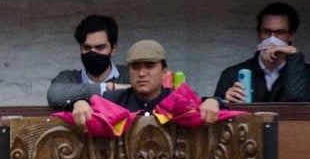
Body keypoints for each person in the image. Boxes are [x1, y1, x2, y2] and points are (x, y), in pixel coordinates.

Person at [70, 40, 222, 128]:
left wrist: (213, 101)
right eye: (135, 67)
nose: (141, 73)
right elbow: (87, 108)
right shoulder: (113, 99)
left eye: (149, 66)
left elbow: (206, 106)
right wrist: (80, 103)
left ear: (164, 71)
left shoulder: (177, 100)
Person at [213, 2, 310, 104]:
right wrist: (226, 101)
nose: (272, 39)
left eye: (280, 32)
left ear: (291, 36)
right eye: (266, 32)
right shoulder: (232, 74)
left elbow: (296, 101)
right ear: (259, 34)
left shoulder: (306, 74)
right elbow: (217, 113)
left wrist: (293, 56)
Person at [47, 14, 130, 109]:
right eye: (87, 47)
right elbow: (54, 95)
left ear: (113, 49)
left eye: (100, 47)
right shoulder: (70, 78)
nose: (93, 53)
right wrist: (108, 88)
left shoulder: (129, 75)